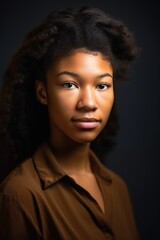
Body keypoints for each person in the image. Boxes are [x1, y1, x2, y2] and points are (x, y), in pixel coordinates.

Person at [0, 6, 140, 240]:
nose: (88, 103)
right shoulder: (20, 196)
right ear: (42, 93)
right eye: (69, 84)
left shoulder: (118, 188)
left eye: (102, 85)